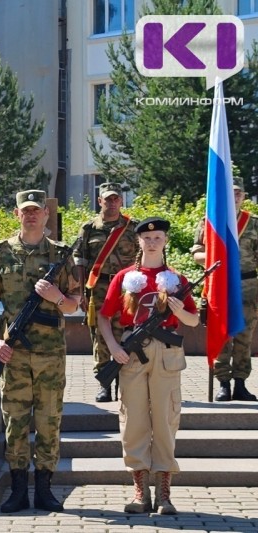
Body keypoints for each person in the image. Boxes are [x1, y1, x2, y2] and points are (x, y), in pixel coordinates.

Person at [0, 189, 80, 513]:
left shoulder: (61, 255)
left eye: (38, 210)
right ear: (17, 214)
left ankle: (46, 490)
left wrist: (55, 296)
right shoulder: (0, 252)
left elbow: (76, 305)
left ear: (47, 214)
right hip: (14, 353)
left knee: (49, 421)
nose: (32, 215)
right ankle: (19, 490)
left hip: (51, 354)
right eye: (26, 210)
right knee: (15, 422)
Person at [97, 217, 199, 515]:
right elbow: (104, 316)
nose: (152, 242)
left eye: (158, 238)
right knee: (134, 422)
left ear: (165, 241)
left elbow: (194, 320)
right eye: (147, 238)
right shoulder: (126, 277)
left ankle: (164, 493)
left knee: (166, 421)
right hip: (131, 355)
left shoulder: (176, 279)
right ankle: (141, 491)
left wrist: (180, 311)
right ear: (139, 242)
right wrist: (114, 347)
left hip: (167, 356)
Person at [191, 175, 258, 402]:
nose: (235, 196)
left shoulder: (253, 222)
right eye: (231, 192)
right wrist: (213, 256)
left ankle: (241, 383)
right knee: (222, 336)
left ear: (244, 197)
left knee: (244, 337)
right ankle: (223, 384)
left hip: (247, 287)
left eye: (238, 193)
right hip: (219, 286)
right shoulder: (210, 221)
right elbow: (196, 253)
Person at [74, 182, 139, 402]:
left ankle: (124, 382)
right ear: (99, 201)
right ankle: (104, 383)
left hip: (127, 290)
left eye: (115, 199)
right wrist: (81, 291)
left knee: (125, 335)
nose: (111, 203)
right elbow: (80, 261)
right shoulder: (89, 228)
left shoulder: (133, 227)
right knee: (101, 338)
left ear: (121, 201)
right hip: (99, 289)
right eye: (107, 199)